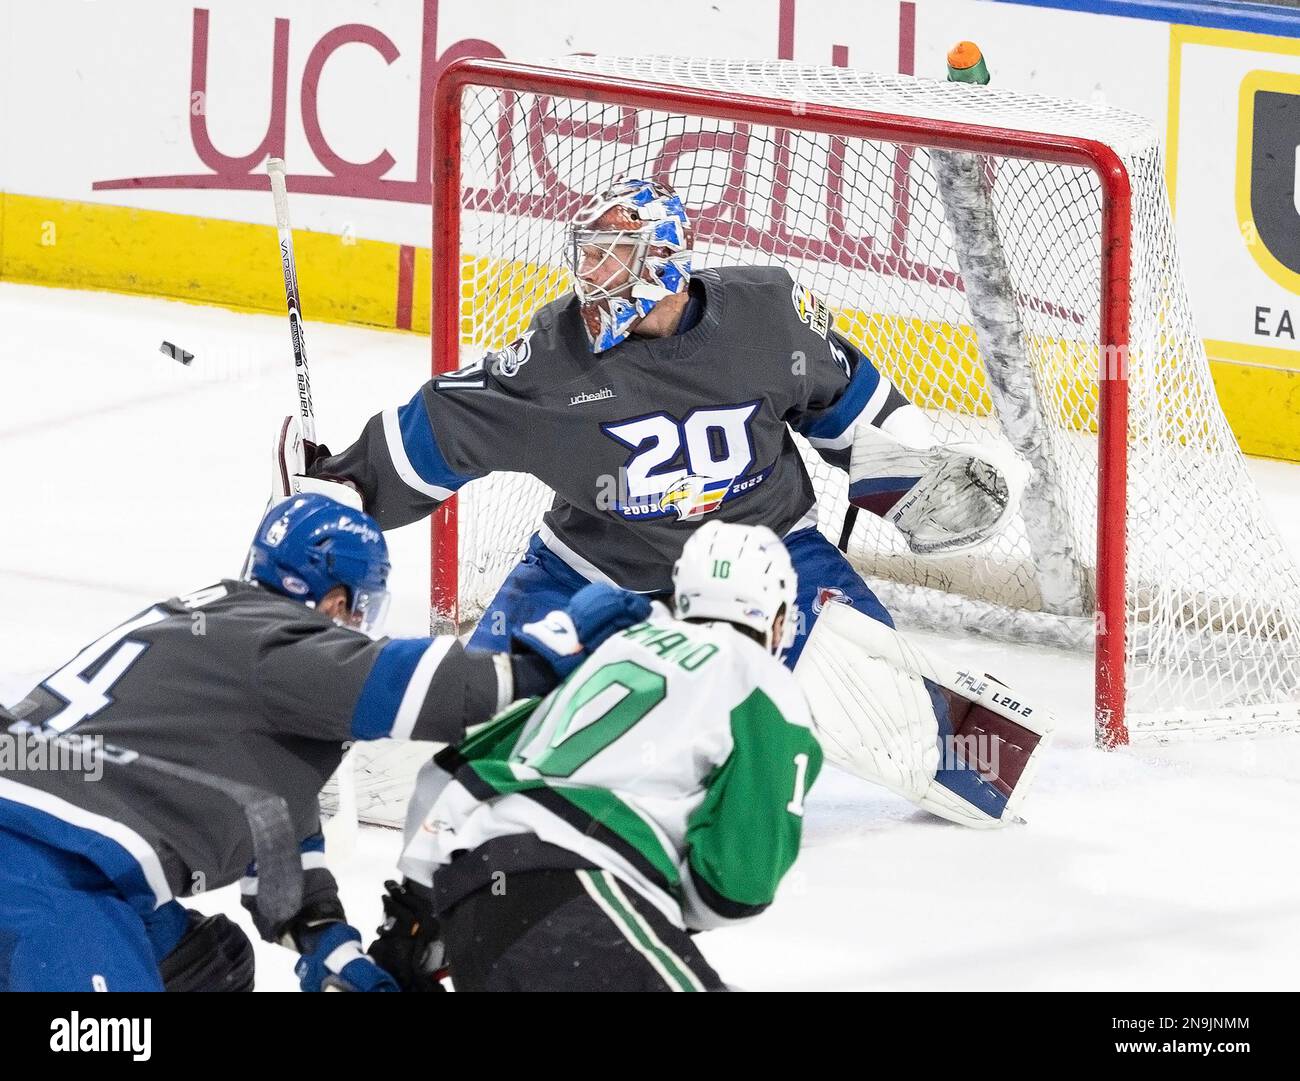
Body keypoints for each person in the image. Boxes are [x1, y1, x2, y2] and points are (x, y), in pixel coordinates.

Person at [280, 176, 1024, 671]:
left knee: (893, 703)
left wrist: (909, 472)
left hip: (768, 558)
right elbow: (447, 420)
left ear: (666, 260)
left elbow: (851, 404)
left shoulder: (767, 317)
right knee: (487, 708)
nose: (593, 273)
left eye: (615, 254)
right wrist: (345, 486)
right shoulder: (554, 357)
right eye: (590, 254)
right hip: (597, 567)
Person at [0, 493, 647, 991]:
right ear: (335, 599)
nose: (361, 624)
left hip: (52, 852)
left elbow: (280, 856)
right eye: (360, 605)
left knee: (207, 967)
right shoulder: (277, 644)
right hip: (44, 868)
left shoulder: (221, 637)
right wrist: (553, 644)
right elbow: (430, 691)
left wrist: (334, 956)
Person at [389, 522, 823, 992]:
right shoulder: (764, 681)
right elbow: (736, 887)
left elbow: (449, 771)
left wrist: (415, 917)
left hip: (473, 903)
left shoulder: (613, 650)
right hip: (580, 898)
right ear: (778, 617)